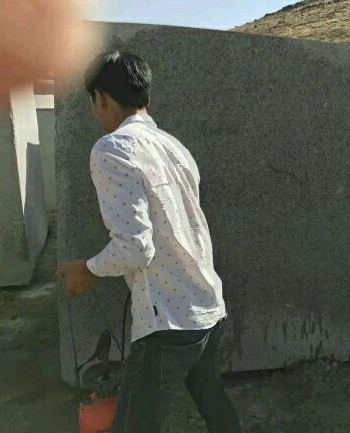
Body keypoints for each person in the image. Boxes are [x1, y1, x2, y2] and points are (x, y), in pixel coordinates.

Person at [56, 51, 241, 432]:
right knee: (215, 406)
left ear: (101, 98)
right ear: (146, 97)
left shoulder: (112, 149)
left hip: (168, 321)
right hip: (207, 305)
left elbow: (135, 248)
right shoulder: (173, 147)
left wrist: (87, 270)